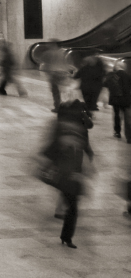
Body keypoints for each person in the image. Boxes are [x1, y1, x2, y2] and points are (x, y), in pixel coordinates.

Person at [42, 110, 93, 248]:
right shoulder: (66, 138)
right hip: (66, 179)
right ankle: (66, 237)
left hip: (72, 178)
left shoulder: (76, 136)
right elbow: (51, 153)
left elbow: (85, 153)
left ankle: (66, 237)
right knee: (73, 208)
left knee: (72, 207)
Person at [103, 59, 131, 141]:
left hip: (115, 99)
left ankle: (117, 132)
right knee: (127, 118)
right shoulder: (127, 75)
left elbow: (105, 84)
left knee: (117, 116)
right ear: (123, 67)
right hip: (126, 99)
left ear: (116, 66)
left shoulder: (112, 75)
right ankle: (129, 137)